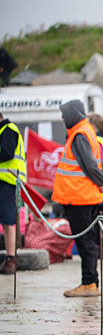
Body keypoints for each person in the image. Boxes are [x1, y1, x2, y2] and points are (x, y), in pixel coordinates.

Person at [52, 100, 103, 297]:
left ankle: (89, 283)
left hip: (80, 198)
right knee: (87, 242)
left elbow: (90, 165)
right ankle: (90, 282)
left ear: (72, 114)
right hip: (82, 197)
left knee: (85, 243)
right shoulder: (83, 130)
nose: (62, 118)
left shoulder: (79, 134)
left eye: (64, 114)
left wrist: (102, 182)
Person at [0, 112, 25, 275]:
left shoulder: (9, 129)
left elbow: (7, 153)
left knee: (8, 221)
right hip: (4, 180)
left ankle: (11, 258)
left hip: (9, 180)